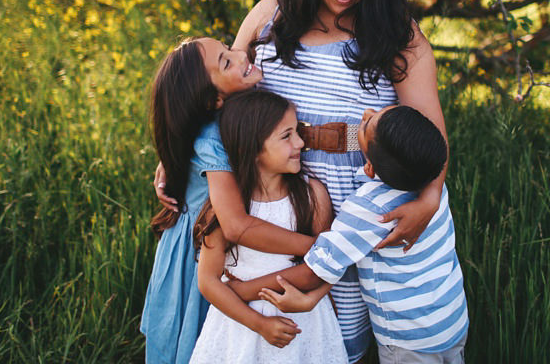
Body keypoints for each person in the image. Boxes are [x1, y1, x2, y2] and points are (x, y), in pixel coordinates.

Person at [155, 0, 449, 361]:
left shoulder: (396, 34)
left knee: (375, 332)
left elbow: (429, 131)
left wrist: (429, 198)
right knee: (304, 333)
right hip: (286, 200)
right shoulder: (269, 16)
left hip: (368, 196)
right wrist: (179, 155)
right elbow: (224, 96)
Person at [239, 105, 469, 363]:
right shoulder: (432, 187)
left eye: (365, 126)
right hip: (452, 320)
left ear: (369, 168)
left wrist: (243, 290)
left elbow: (312, 271)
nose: (366, 113)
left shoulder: (368, 209)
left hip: (409, 339)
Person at [140, 38, 316, 364]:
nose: (240, 55)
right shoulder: (211, 139)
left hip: (217, 243)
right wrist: (312, 245)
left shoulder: (230, 114)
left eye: (228, 47)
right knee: (197, 345)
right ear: (213, 100)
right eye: (226, 62)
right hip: (197, 251)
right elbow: (234, 225)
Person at [189, 90, 348, 364]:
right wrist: (259, 323)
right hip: (240, 323)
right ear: (251, 148)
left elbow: (326, 266)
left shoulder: (312, 196)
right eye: (287, 136)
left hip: (304, 322)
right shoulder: (228, 207)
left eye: (297, 131)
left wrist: (314, 297)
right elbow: (207, 280)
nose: (300, 142)